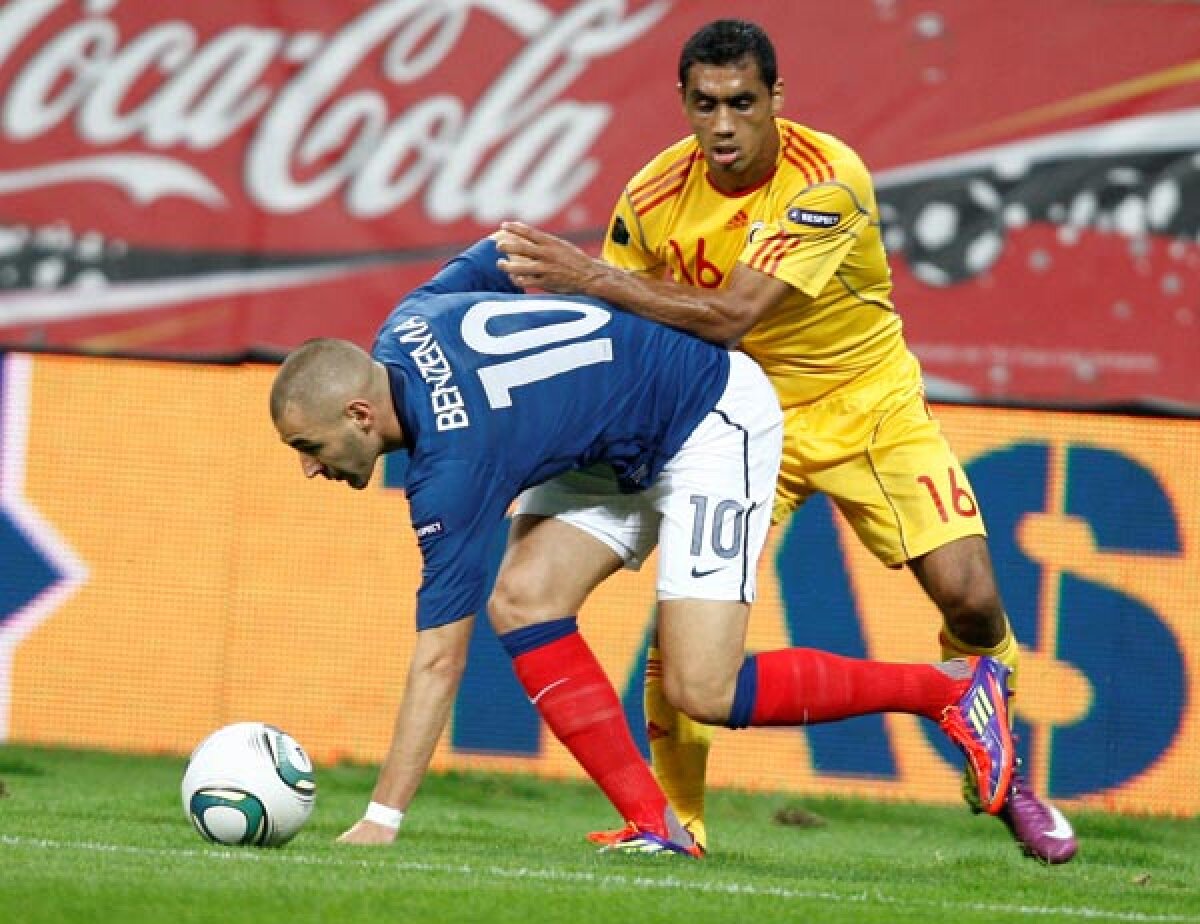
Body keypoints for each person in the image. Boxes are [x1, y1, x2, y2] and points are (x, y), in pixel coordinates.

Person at [493, 19, 1077, 864]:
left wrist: (590, 275)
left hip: (866, 407)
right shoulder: (655, 195)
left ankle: (1001, 764)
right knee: (690, 629)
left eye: (741, 103)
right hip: (734, 419)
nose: (723, 124)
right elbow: (612, 318)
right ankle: (677, 822)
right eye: (705, 105)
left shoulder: (826, 180)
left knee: (973, 598)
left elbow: (730, 315)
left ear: (776, 100)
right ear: (683, 103)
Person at [269, 234, 1016, 855]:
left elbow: (440, 659)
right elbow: (506, 246)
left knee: (703, 690)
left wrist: (381, 820)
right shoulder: (408, 321)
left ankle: (949, 689)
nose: (308, 466)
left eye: (309, 445)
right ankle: (657, 824)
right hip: (613, 440)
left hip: (709, 415)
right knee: (526, 597)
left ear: (363, 414)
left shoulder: (452, 474)